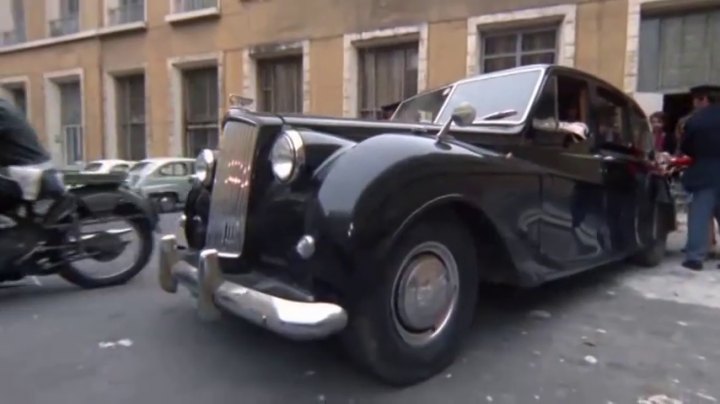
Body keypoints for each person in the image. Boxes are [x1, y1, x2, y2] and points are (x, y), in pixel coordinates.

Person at [679, 84, 720, 271]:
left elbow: (687, 147)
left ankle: (695, 258)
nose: (694, 104)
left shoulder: (696, 120)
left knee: (700, 216)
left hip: (705, 172)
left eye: (696, 100)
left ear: (703, 99)